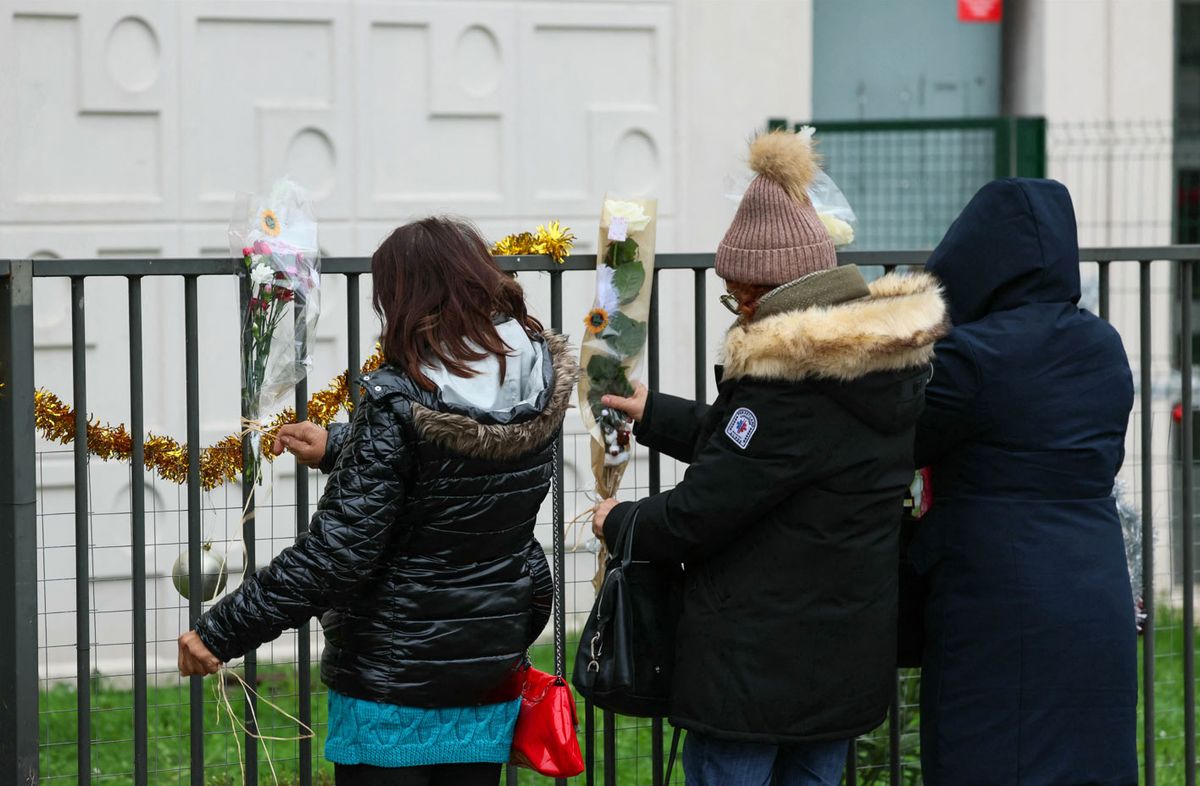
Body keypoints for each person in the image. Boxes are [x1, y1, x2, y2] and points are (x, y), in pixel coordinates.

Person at [591, 130, 948, 786]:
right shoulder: (877, 367)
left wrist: (620, 521)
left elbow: (707, 506)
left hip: (755, 676)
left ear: (765, 291)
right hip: (840, 665)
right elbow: (765, 457)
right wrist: (656, 411)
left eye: (737, 296)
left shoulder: (788, 385)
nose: (737, 310)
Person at [177, 216, 578, 786]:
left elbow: (335, 555)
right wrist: (341, 444)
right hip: (485, 664)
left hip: (395, 680)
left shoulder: (401, 397)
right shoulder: (532, 378)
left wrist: (218, 632)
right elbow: (456, 476)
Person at [910, 178, 1138, 786]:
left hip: (997, 596)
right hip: (1094, 585)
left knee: (990, 757)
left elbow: (899, 439)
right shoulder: (1105, 346)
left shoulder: (973, 357)